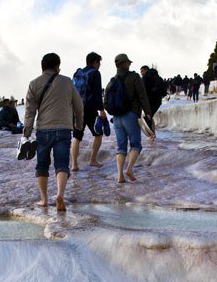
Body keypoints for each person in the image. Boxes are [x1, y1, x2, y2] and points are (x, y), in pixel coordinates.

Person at [23, 52, 84, 211]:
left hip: (43, 130)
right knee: (62, 163)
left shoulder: (34, 84)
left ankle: (44, 199)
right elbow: (79, 105)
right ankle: (60, 195)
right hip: (64, 129)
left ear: (42, 67)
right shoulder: (66, 81)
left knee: (42, 164)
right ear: (57, 66)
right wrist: (79, 123)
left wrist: (27, 132)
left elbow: (30, 111)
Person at [104, 53, 151, 184]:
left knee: (121, 148)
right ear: (125, 63)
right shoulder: (134, 77)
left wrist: (113, 112)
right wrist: (148, 113)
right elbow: (142, 96)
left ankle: (120, 176)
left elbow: (106, 102)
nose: (130, 65)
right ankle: (129, 169)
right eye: (129, 63)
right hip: (131, 115)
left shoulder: (111, 81)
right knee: (136, 144)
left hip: (117, 118)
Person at [71, 52, 107, 172]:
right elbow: (97, 93)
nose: (99, 65)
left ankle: (74, 164)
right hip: (90, 109)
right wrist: (101, 110)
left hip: (76, 110)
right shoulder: (95, 73)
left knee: (77, 137)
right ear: (95, 62)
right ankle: (92, 160)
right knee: (98, 134)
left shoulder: (78, 73)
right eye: (99, 62)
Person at [140, 65, 165, 134]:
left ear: (146, 70)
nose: (141, 73)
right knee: (150, 115)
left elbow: (142, 90)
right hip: (158, 100)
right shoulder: (158, 77)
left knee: (148, 116)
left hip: (149, 100)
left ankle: (152, 133)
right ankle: (152, 133)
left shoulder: (145, 78)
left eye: (142, 71)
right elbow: (163, 88)